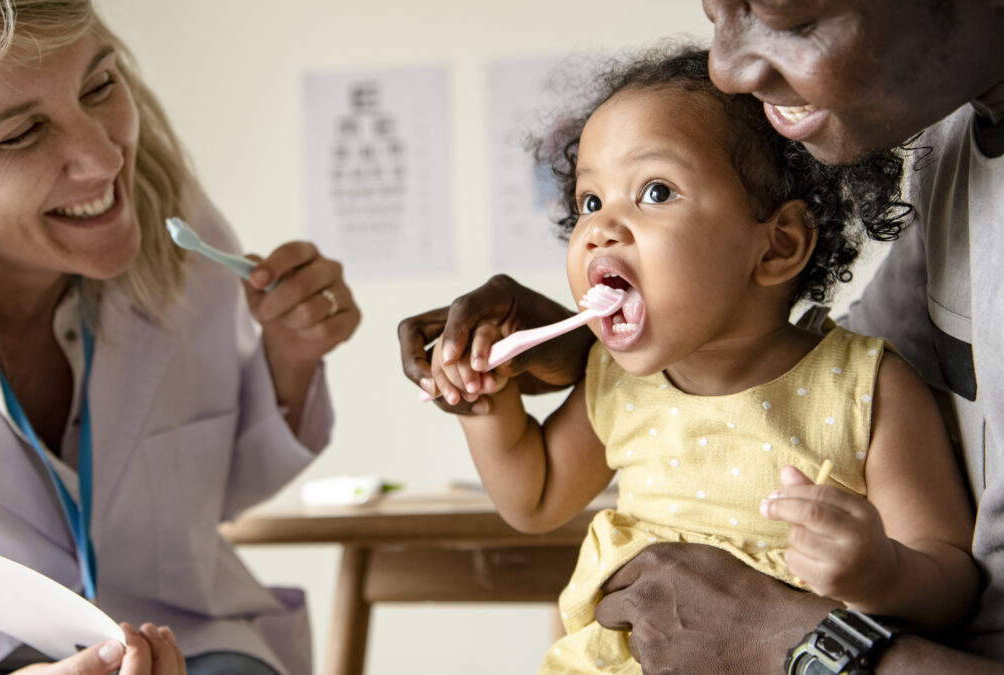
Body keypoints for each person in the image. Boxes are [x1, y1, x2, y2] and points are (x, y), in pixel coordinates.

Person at [399, 1, 1004, 672]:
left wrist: (880, 572)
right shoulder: (619, 380)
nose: (600, 229)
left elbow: (953, 581)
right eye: (590, 202)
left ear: (776, 246)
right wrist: (488, 407)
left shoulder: (866, 387)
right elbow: (536, 496)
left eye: (655, 191)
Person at [0, 1, 359, 674]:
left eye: (100, 86)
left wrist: (290, 357)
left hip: (195, 639)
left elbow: (213, 492)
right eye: (21, 134)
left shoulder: (187, 241)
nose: (102, 159)